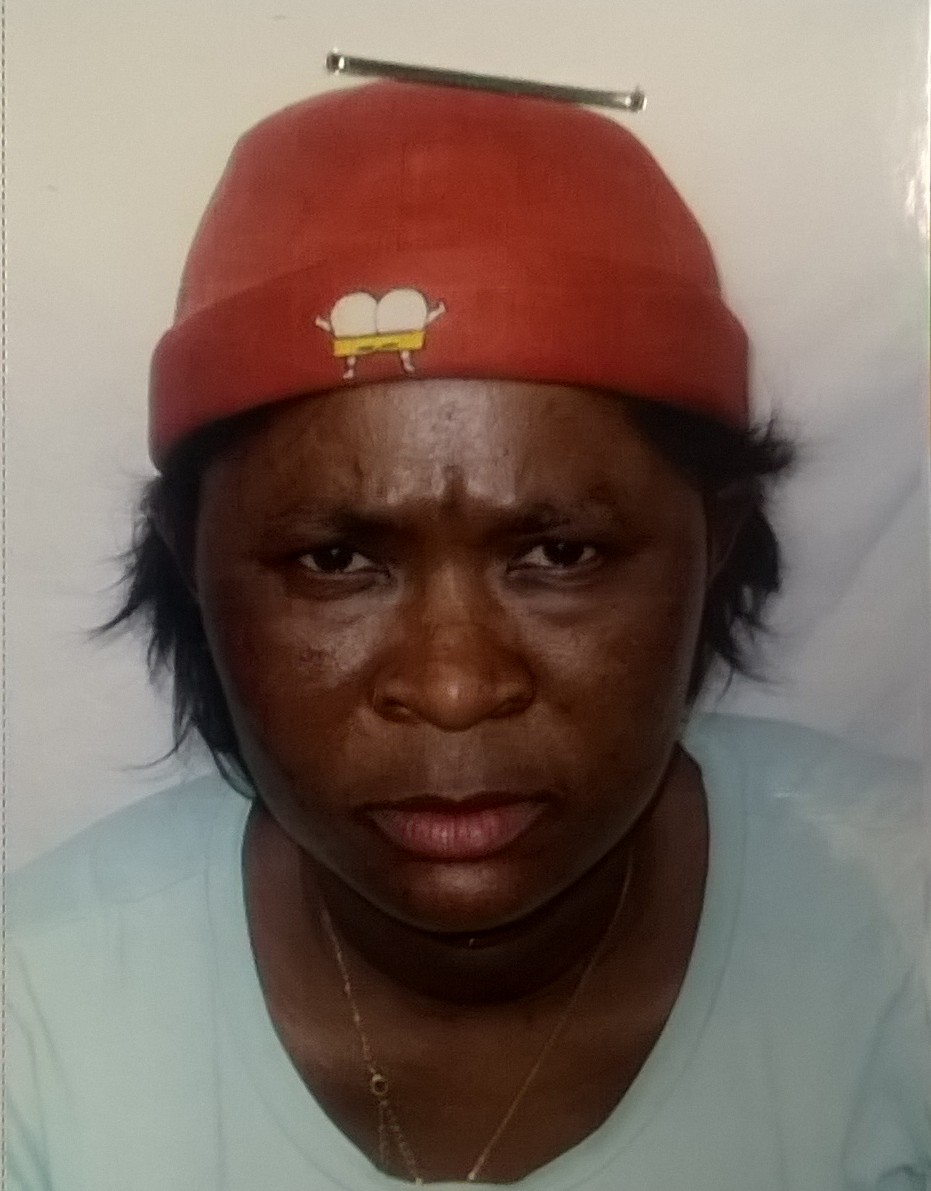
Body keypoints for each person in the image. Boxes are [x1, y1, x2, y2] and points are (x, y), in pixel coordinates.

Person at [6, 81, 929, 1190]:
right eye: (334, 561)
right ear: (191, 560)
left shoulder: (901, 937)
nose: (452, 688)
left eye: (562, 553)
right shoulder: (38, 1023)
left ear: (713, 542)